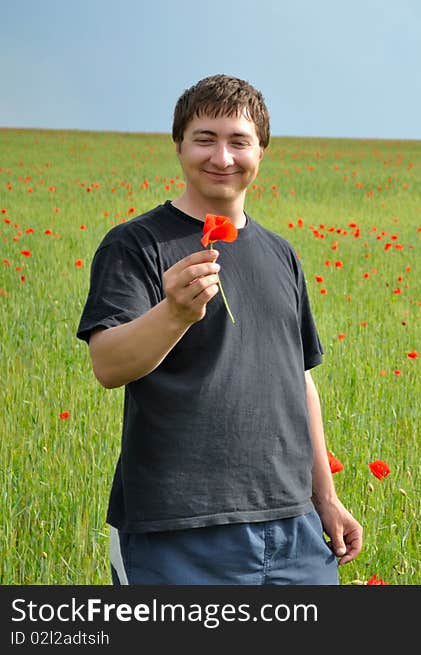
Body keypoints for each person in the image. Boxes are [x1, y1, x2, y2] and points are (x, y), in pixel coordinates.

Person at [76, 74, 363, 584]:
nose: (222, 158)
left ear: (261, 152)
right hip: (178, 529)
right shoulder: (136, 245)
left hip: (292, 525)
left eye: (239, 142)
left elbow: (298, 380)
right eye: (204, 139)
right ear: (179, 145)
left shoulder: (281, 254)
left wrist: (326, 498)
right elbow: (108, 365)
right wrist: (174, 314)